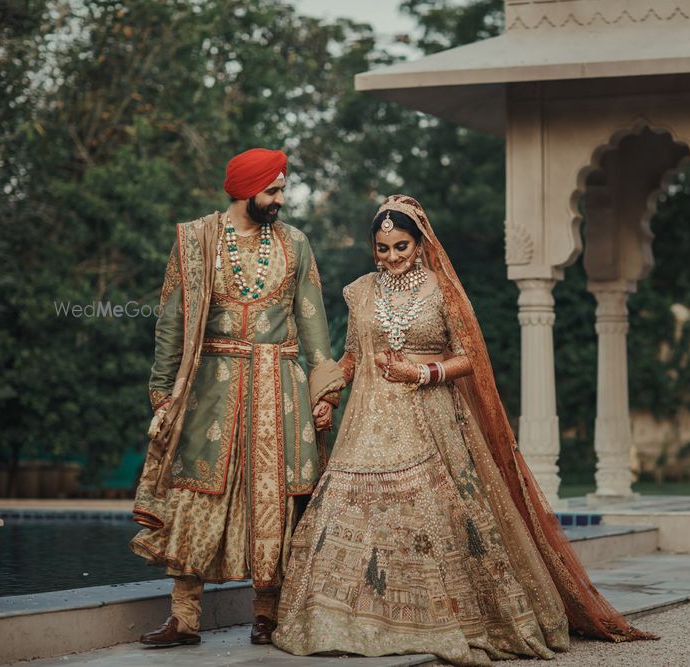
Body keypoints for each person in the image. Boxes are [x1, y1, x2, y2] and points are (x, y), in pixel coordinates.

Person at [272, 195, 657, 666]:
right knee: (352, 517)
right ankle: (350, 621)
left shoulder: (442, 290)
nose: (392, 257)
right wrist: (326, 393)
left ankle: (445, 620)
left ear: (420, 242)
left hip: (431, 418)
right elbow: (352, 354)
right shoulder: (360, 292)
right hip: (367, 423)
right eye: (382, 249)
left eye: (401, 246)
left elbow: (469, 357)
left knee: (434, 516)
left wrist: (421, 373)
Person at [129, 148, 344, 647]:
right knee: (197, 492)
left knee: (279, 499)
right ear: (245, 189)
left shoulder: (294, 243)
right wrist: (163, 394)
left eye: (282, 189)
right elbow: (172, 323)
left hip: (280, 389)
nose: (280, 199)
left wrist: (326, 391)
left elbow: (314, 322)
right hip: (212, 389)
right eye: (272, 190)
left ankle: (267, 614)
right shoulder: (196, 239)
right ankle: (184, 617)